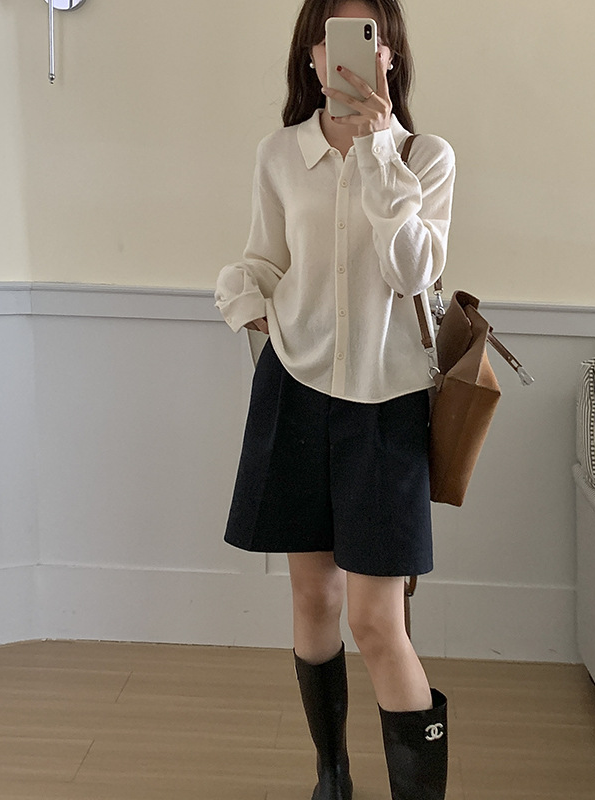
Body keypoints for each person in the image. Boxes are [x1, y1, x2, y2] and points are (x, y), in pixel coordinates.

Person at [214, 0, 455, 797]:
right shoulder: (280, 155)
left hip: (387, 407)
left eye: (369, 37)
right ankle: (333, 777)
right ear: (312, 57)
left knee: (377, 622)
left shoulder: (425, 157)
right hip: (296, 389)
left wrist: (379, 153)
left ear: (390, 56)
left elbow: (413, 271)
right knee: (313, 598)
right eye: (332, 37)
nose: (349, 52)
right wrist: (243, 296)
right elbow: (264, 260)